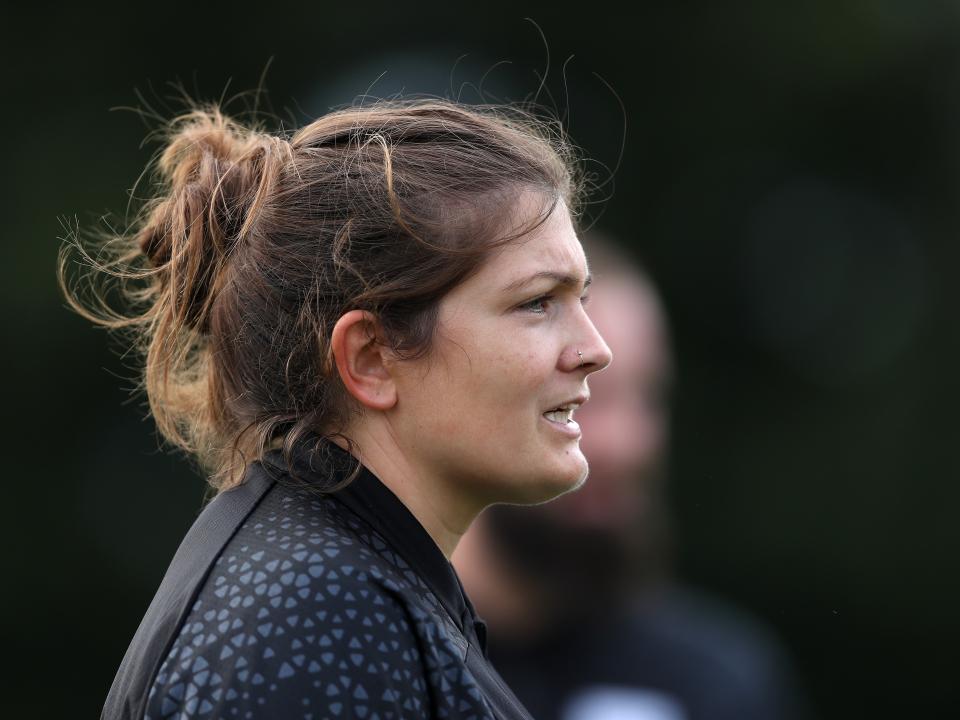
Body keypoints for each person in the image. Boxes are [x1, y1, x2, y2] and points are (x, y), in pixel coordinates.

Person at [60, 96, 612, 719]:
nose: (596, 350)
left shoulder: (350, 583)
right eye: (537, 302)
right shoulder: (318, 612)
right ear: (370, 358)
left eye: (581, 298)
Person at [453, 232, 806, 720]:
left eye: (649, 395)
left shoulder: (710, 681)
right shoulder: (372, 654)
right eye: (584, 396)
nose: (631, 443)